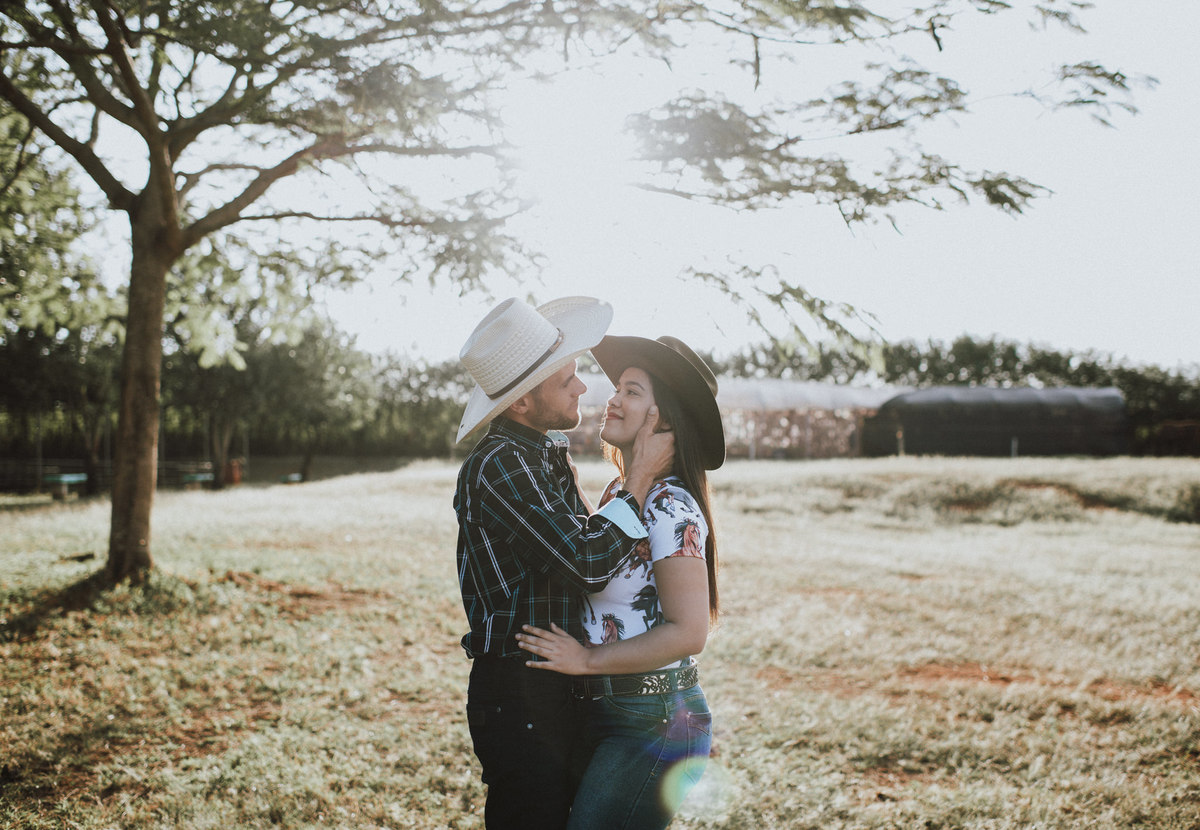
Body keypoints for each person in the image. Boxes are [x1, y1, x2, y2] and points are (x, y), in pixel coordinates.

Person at [453, 297, 676, 830]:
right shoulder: (499, 465)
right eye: (565, 380)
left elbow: (590, 542)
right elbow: (586, 561)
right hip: (521, 687)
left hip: (557, 679)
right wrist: (638, 480)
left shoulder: (544, 454)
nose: (582, 388)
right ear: (521, 404)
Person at [516, 334, 724, 830]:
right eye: (618, 388)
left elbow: (689, 631)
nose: (612, 398)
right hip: (612, 710)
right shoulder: (622, 495)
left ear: (665, 419)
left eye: (632, 391)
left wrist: (587, 659)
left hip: (653, 718)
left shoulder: (670, 507)